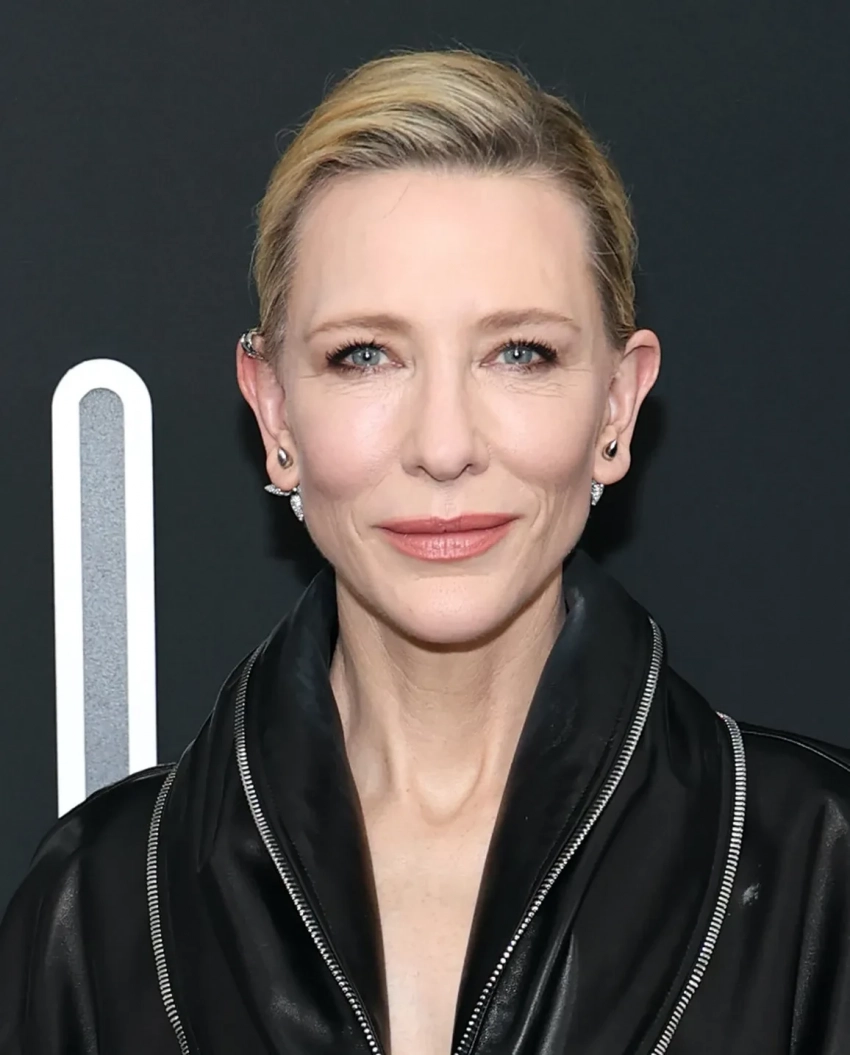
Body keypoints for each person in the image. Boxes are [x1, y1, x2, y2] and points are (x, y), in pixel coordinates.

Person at [2, 46, 850, 1055]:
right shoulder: (97, 906)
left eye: (519, 353)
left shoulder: (821, 869)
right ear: (275, 411)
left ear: (617, 406)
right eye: (364, 355)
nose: (444, 446)